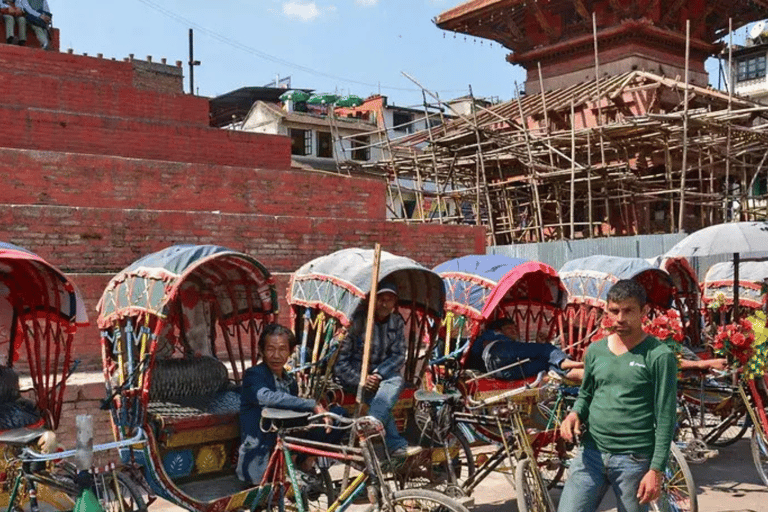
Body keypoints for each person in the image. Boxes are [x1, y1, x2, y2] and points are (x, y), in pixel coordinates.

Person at [558, 280, 678, 512]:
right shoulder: (596, 351)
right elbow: (586, 395)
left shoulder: (659, 356)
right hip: (590, 454)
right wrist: (574, 414)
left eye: (628, 311)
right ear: (607, 311)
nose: (620, 318)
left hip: (634, 460)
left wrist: (656, 470)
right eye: (614, 311)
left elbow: (665, 417)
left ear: (644, 311)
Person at [237, 323, 340, 486]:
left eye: (282, 349)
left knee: (339, 417)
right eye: (270, 349)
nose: (276, 355)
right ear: (262, 351)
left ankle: (306, 462)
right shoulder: (253, 375)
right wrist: (311, 404)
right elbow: (267, 397)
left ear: (291, 352)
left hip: (288, 443)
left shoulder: (289, 381)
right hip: (262, 451)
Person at [333, 280, 421, 458]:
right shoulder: (357, 322)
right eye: (381, 299)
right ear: (372, 301)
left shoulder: (396, 322)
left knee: (396, 381)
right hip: (354, 374)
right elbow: (340, 363)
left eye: (389, 300)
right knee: (378, 397)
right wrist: (362, 379)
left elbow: (398, 355)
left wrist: (378, 374)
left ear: (394, 303)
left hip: (382, 373)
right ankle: (394, 444)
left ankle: (373, 421)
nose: (384, 304)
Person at [467, 318, 584, 382]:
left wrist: (537, 345)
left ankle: (570, 372)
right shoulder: (492, 335)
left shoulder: (513, 345)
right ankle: (564, 362)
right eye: (509, 328)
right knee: (546, 348)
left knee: (545, 363)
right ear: (499, 330)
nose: (514, 331)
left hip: (505, 372)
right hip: (497, 352)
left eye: (515, 328)